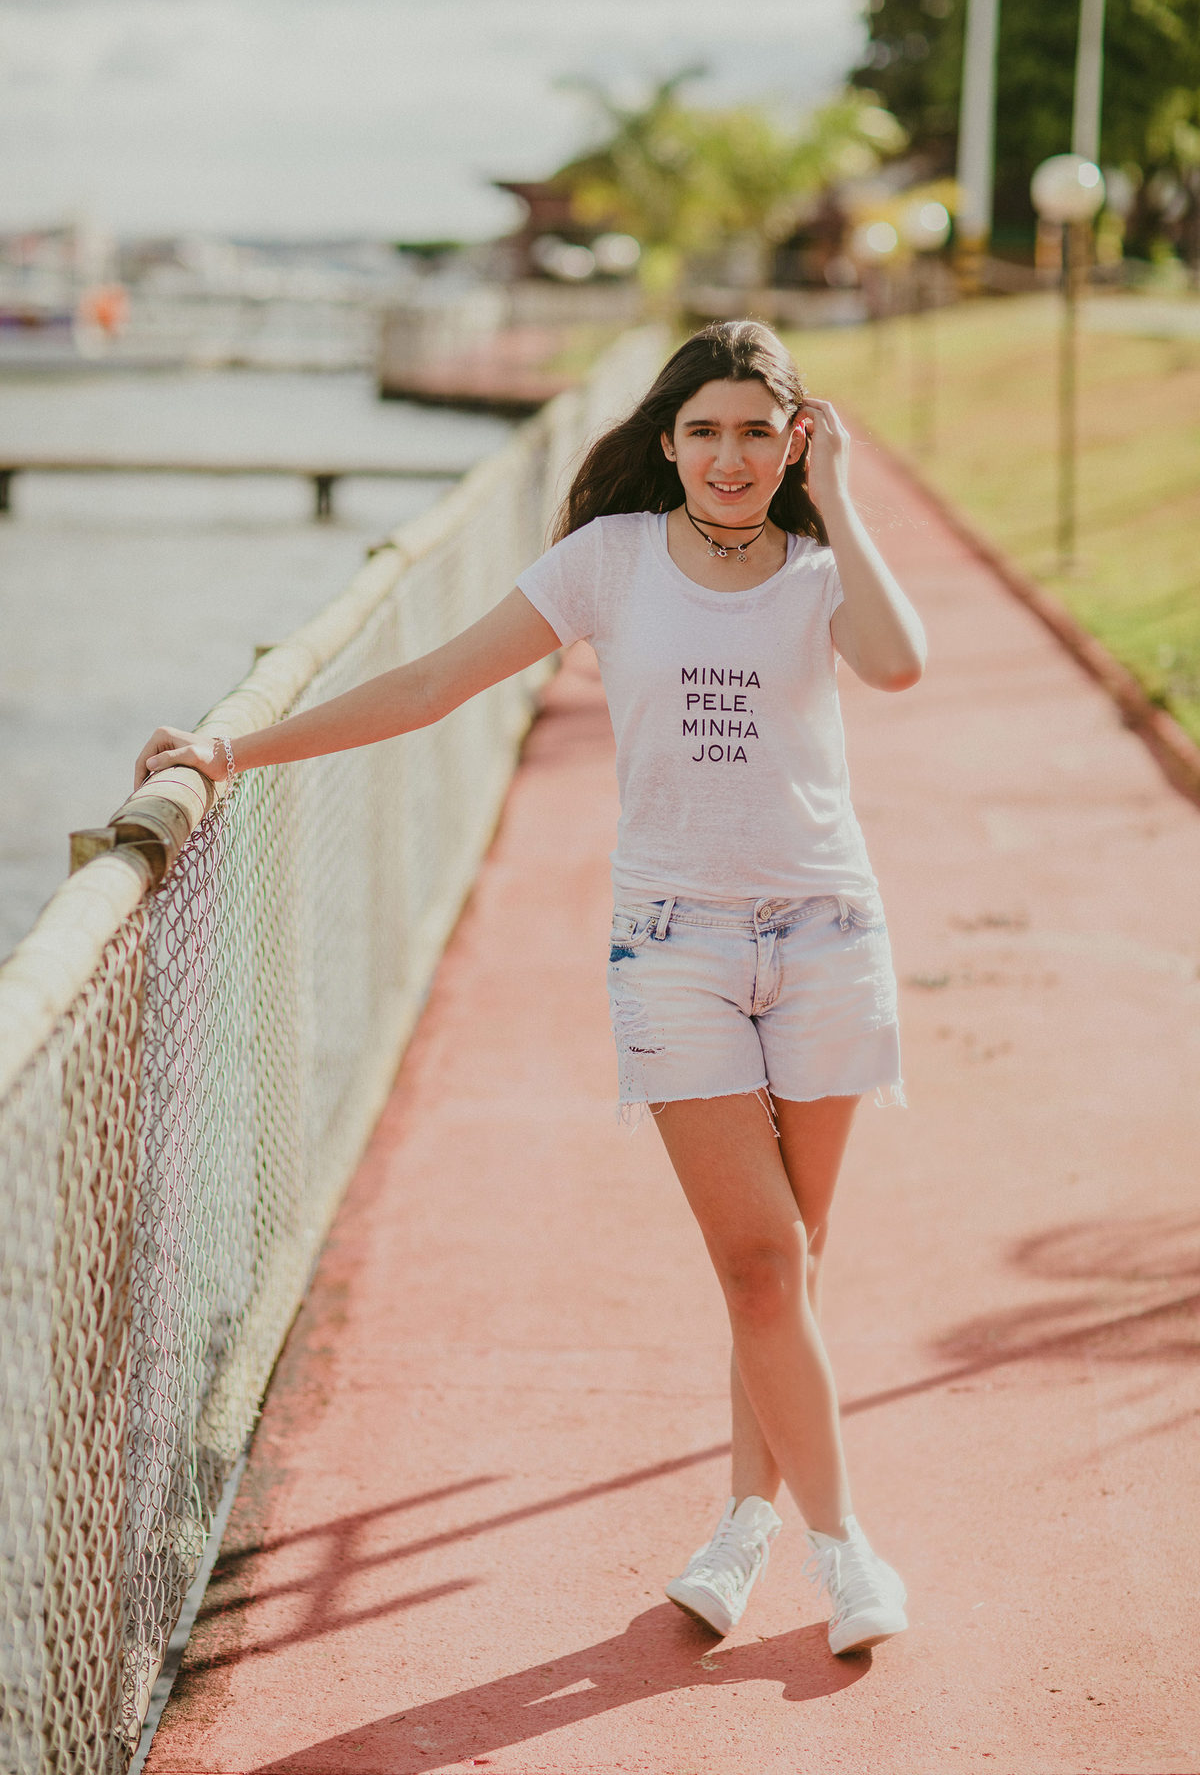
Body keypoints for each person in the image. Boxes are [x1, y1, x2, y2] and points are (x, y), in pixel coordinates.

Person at [136, 320, 926, 1658]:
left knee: (785, 1266)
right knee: (760, 1260)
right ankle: (847, 1552)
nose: (727, 457)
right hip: (675, 945)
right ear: (666, 442)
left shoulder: (816, 567)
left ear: (789, 441)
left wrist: (841, 495)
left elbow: (899, 663)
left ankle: (743, 1521)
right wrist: (230, 749)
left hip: (829, 933)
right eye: (702, 431)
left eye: (755, 431)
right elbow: (437, 681)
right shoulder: (609, 561)